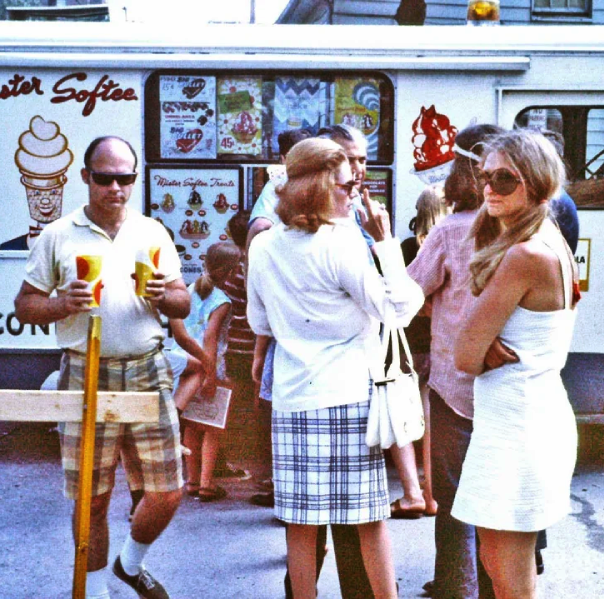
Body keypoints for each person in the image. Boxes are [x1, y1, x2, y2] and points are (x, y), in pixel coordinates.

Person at [247, 137, 424, 599]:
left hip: (292, 395)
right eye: (349, 184)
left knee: (300, 526)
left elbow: (258, 320)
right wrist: (385, 242)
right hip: (348, 394)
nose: (355, 193)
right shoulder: (342, 242)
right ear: (324, 186)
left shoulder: (263, 246)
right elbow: (399, 307)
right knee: (368, 520)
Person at [14, 136, 190, 599]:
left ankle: (130, 564)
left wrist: (163, 296)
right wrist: (59, 304)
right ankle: (94, 591)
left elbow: (183, 302)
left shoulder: (152, 231)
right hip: (85, 369)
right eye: (106, 177)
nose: (116, 187)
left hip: (148, 369)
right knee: (92, 498)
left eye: (126, 178)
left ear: (135, 179)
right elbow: (25, 306)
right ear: (86, 176)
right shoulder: (58, 234)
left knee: (169, 489)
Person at [408, 124, 578, 599]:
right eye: (484, 177)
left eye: (505, 180)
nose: (488, 188)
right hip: (524, 413)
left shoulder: (524, 255)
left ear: (537, 181)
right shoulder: (548, 239)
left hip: (515, 423)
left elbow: (464, 353)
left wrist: (479, 346)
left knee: (508, 576)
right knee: (501, 565)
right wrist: (482, 345)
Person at [246, 127, 312, 508]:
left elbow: (257, 236)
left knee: (279, 408)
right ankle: (286, 488)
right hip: (298, 324)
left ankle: (284, 488)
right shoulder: (282, 191)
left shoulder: (274, 193)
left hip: (284, 322)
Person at [389, 185, 448, 519]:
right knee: (433, 423)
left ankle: (412, 493)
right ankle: (433, 495)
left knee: (403, 420)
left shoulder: (406, 248)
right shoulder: (456, 244)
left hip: (406, 345)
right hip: (440, 345)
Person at [166, 242, 240, 502]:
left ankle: (192, 481)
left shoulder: (188, 290)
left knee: (192, 425)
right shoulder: (222, 301)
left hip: (187, 365)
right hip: (210, 366)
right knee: (212, 427)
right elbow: (211, 337)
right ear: (230, 272)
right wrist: (211, 374)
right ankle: (207, 484)